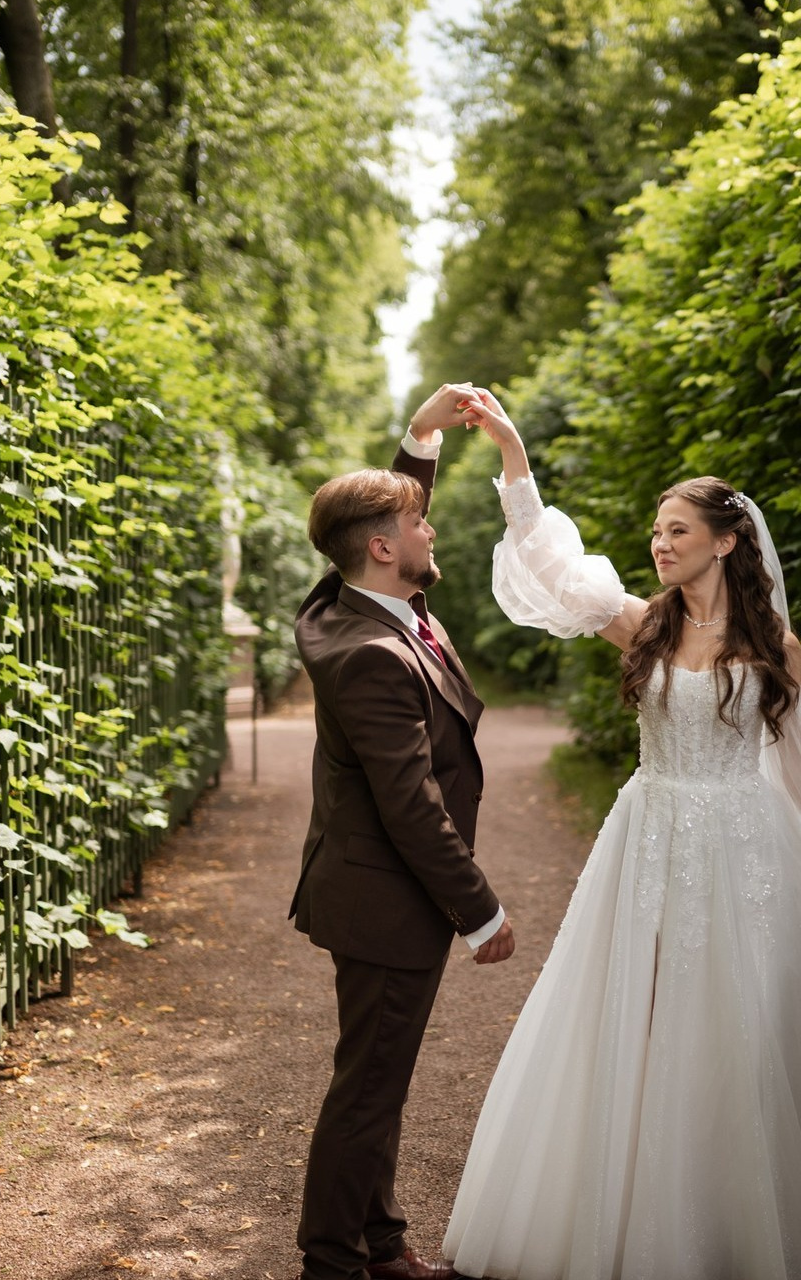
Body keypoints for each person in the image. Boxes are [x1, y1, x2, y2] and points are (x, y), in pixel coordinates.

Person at [442, 390, 801, 1280]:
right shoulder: (640, 623)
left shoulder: (775, 649)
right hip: (645, 836)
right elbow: (544, 559)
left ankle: (732, 1215)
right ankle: (630, 1210)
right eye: (657, 531)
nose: (661, 544)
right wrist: (512, 452)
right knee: (637, 1015)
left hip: (743, 846)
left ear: (727, 541)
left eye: (678, 532)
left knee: (737, 1020)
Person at [290, 383, 515, 1280]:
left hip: (372, 892)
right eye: (417, 525)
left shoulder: (349, 602)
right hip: (387, 901)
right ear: (384, 550)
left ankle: (380, 1244)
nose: (432, 532)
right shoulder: (373, 657)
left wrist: (421, 437)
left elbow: (378, 517)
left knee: (377, 1078)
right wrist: (481, 910)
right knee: (369, 1088)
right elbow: (410, 802)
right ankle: (333, 1261)